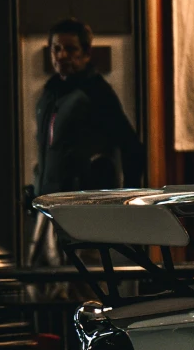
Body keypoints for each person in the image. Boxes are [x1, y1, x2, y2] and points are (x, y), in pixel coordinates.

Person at [28, 19, 143, 265]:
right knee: (43, 284)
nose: (62, 56)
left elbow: (130, 145)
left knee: (83, 282)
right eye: (56, 49)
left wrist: (128, 201)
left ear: (86, 53)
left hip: (80, 208)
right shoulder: (50, 92)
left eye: (71, 49)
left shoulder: (96, 92)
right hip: (49, 204)